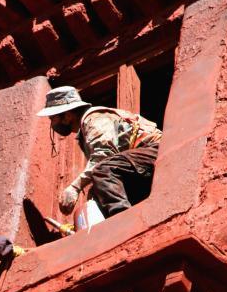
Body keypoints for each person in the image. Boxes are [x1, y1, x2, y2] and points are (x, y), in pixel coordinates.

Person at [36, 86, 162, 218]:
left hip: (155, 151)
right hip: (140, 163)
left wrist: (75, 187)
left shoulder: (94, 118)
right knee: (99, 187)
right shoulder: (85, 130)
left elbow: (103, 156)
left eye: (53, 118)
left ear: (67, 116)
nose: (52, 124)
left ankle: (123, 220)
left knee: (102, 170)